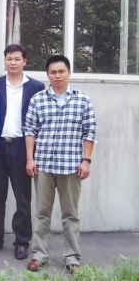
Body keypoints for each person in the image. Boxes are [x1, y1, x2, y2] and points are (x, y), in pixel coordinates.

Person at [25, 55, 97, 274]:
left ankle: (72, 258)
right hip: (44, 166)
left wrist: (86, 160)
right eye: (53, 72)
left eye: (61, 71)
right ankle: (39, 255)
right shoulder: (38, 99)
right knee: (41, 214)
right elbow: (30, 130)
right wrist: (30, 158)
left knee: (70, 215)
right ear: (48, 75)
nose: (57, 76)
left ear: (69, 73)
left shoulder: (82, 100)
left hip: (71, 167)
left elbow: (89, 132)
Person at [0, 44, 45, 260]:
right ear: (5, 61)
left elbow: (39, 120)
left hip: (22, 147)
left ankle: (21, 241)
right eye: (9, 59)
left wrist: (33, 154)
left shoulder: (36, 87)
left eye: (17, 59)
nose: (13, 62)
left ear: (24, 62)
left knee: (22, 197)